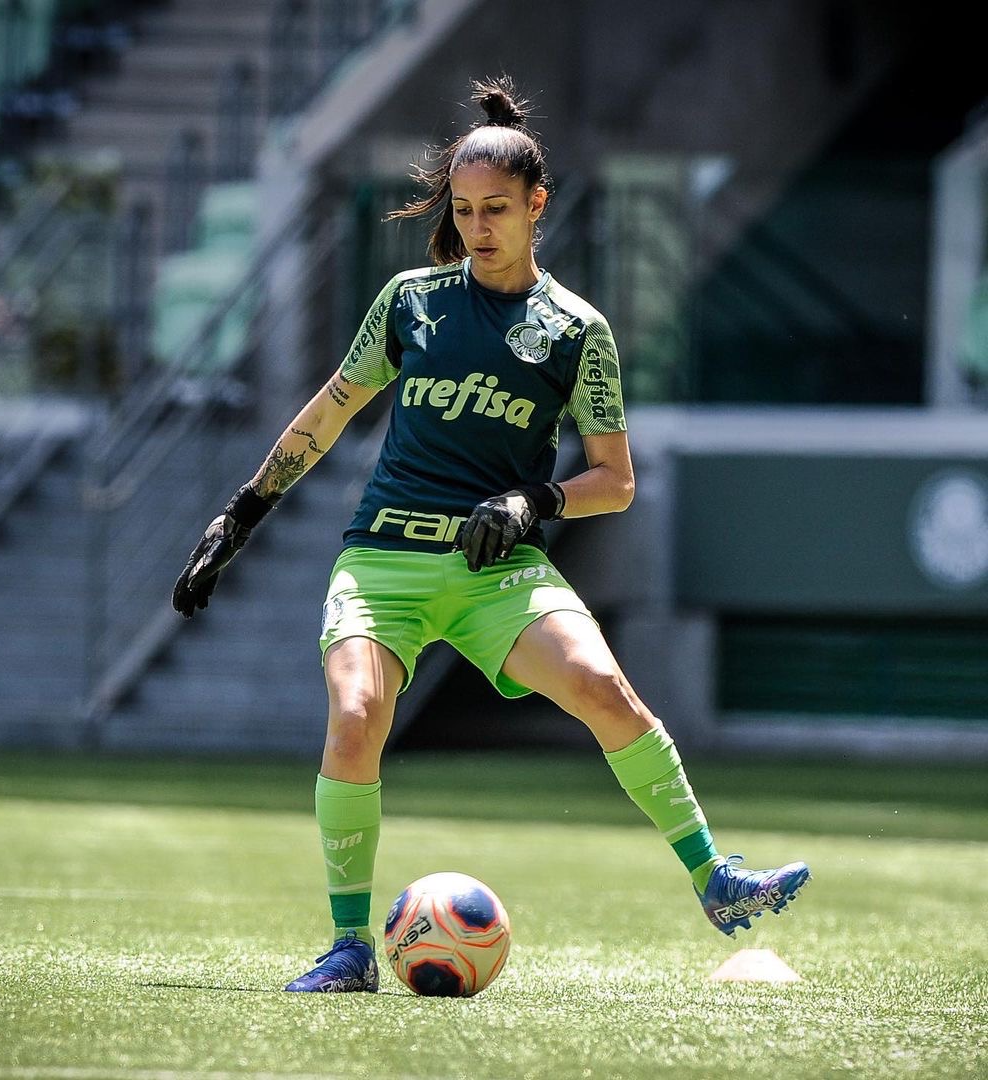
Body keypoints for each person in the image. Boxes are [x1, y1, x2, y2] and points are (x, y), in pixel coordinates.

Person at [171, 77, 810, 993]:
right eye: (463, 209)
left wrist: (531, 502)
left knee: (604, 688)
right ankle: (350, 947)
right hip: (384, 557)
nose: (476, 227)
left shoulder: (578, 331)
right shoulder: (410, 301)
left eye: (496, 209)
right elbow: (329, 410)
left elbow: (616, 482)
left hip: (497, 568)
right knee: (355, 718)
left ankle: (716, 879)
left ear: (537, 205)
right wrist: (241, 514)